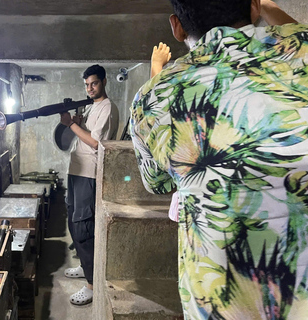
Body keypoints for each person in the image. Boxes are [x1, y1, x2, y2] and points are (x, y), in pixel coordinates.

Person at [130, 0, 308, 318]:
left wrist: (156, 78)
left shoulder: (152, 97)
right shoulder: (301, 52)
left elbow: (155, 182)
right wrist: (267, 7)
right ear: (254, 9)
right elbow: (298, 33)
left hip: (220, 300)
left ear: (177, 26)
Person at [60, 64, 119, 305]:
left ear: (104, 82)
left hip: (89, 175)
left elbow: (96, 143)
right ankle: (87, 266)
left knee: (84, 228)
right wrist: (78, 123)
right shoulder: (93, 107)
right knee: (73, 222)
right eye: (86, 85)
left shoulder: (108, 107)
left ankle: (93, 285)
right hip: (77, 171)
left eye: (93, 83)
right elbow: (87, 135)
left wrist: (71, 124)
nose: (90, 88)